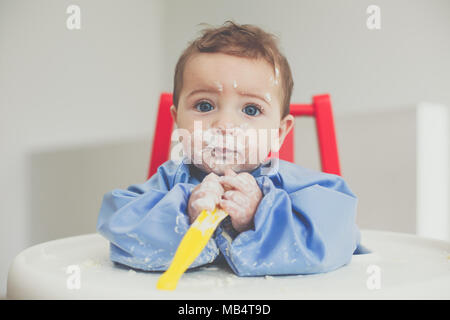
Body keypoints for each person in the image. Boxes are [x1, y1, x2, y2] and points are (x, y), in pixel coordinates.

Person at [96, 20, 362, 276]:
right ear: (177, 121)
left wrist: (261, 215)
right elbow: (119, 223)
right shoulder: (169, 181)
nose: (224, 125)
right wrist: (184, 213)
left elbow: (337, 232)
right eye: (204, 106)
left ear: (278, 133)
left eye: (250, 109)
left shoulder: (293, 186)